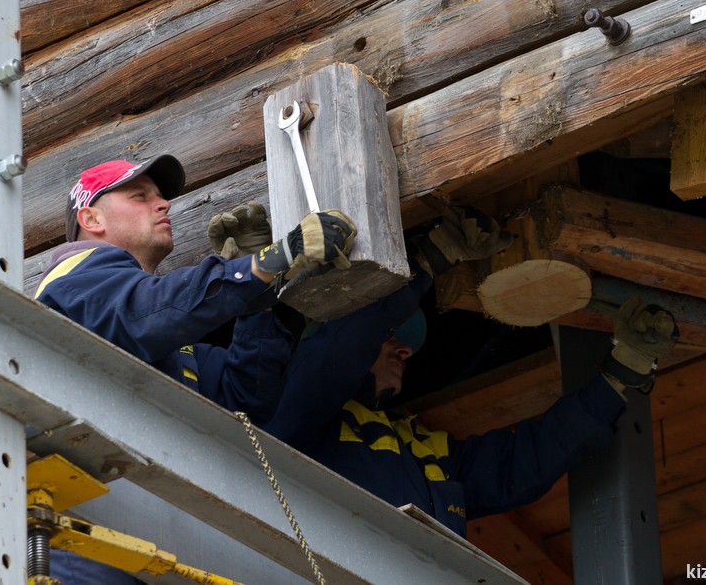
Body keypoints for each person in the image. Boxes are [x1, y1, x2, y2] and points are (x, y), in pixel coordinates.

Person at [259, 206, 678, 539]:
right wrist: (431, 259)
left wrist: (620, 375)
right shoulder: (299, 410)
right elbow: (346, 340)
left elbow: (522, 464)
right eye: (391, 337)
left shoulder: (426, 450)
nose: (405, 350)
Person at [33, 157, 356, 584]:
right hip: (82, 535)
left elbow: (245, 399)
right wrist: (263, 264)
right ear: (90, 217)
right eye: (140, 196)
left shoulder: (164, 334)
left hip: (148, 536)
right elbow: (144, 311)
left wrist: (264, 297)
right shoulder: (74, 278)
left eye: (161, 196)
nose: (163, 204)